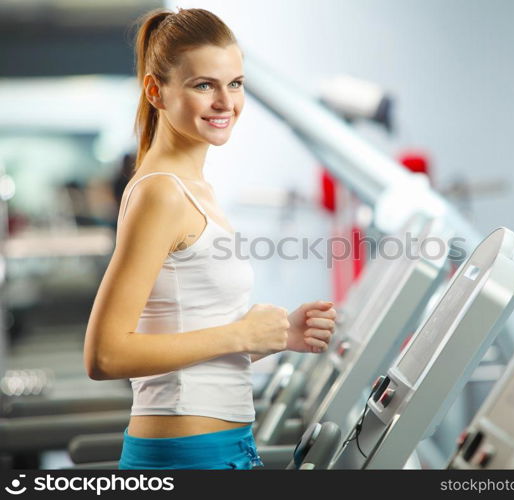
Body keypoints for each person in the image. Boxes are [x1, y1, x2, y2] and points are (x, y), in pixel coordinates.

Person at [83, 7, 336, 470]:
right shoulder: (162, 192)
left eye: (235, 83)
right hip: (185, 456)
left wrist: (272, 337)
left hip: (228, 445)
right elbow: (104, 354)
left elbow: (185, 324)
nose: (226, 102)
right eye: (205, 85)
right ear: (156, 91)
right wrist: (239, 332)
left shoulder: (195, 189)